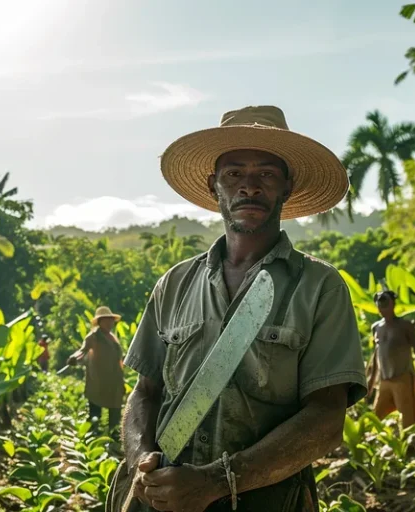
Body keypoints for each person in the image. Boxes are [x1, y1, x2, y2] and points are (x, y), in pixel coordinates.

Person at [107, 106, 368, 512]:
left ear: (286, 186)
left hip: (266, 501)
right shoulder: (174, 285)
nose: (249, 186)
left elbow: (326, 419)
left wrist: (216, 482)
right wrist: (142, 458)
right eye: (234, 174)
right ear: (215, 187)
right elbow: (145, 392)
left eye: (266, 173)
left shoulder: (319, 287)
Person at [368, 290, 415, 428]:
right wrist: (371, 380)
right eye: (380, 302)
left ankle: (410, 445)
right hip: (384, 380)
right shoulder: (376, 327)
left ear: (393, 304)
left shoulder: (405, 326)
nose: (383, 305)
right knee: (377, 417)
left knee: (408, 418)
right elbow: (377, 353)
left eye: (385, 301)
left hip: (402, 378)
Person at [66, 306, 126, 438]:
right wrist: (74, 358)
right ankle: (92, 438)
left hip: (114, 381)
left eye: (111, 320)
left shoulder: (112, 337)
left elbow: (119, 359)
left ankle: (113, 436)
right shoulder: (93, 337)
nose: (110, 323)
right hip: (98, 380)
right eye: (107, 320)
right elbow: (82, 351)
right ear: (100, 322)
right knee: (95, 412)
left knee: (115, 411)